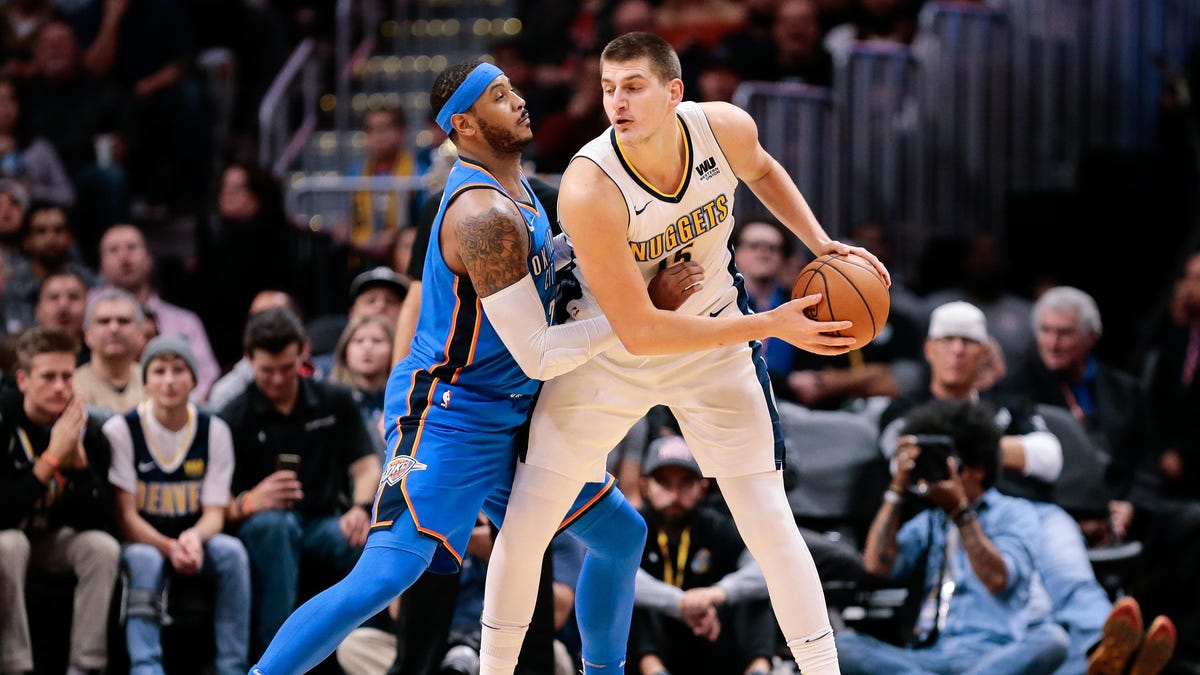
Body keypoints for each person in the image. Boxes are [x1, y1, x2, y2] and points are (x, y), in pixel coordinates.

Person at [248, 59, 692, 675]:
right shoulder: (481, 215)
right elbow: (538, 352)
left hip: (511, 414)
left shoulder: (524, 190)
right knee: (387, 573)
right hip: (451, 415)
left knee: (621, 536)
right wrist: (643, 314)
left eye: (514, 88)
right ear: (464, 122)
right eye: (501, 96)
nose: (520, 101)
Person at [481, 31, 890, 675]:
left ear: (674, 92)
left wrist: (819, 243)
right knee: (530, 519)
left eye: (634, 87)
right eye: (609, 88)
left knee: (768, 518)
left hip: (714, 345)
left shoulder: (723, 129)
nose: (617, 101)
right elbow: (643, 331)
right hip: (612, 350)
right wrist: (770, 326)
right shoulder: (590, 186)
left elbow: (762, 169)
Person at [840, 398, 1070, 674]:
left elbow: (999, 579)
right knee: (842, 645)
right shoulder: (929, 520)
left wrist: (961, 514)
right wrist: (898, 487)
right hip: (924, 657)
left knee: (1053, 639)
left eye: (953, 464)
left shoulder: (1015, 513)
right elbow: (877, 564)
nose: (943, 473)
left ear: (979, 468)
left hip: (993, 656)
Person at [219, 306, 379, 656]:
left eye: (286, 368)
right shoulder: (233, 415)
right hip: (262, 529)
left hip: (323, 522)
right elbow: (214, 505)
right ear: (248, 360)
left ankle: (365, 656)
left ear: (303, 352)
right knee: (276, 527)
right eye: (266, 371)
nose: (277, 379)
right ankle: (278, 659)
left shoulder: (334, 401)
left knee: (363, 538)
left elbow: (367, 466)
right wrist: (249, 502)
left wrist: (360, 508)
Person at [103, 334, 250, 675]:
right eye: (159, 371)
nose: (168, 380)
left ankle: (232, 665)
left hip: (192, 537)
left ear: (194, 380)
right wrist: (169, 546)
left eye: (178, 370)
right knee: (144, 558)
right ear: (146, 380)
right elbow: (126, 517)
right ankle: (146, 666)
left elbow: (215, 512)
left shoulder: (214, 429)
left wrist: (194, 539)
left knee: (232, 553)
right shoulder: (121, 430)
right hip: (143, 539)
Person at [0, 326, 119, 675]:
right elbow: (2, 514)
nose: (59, 387)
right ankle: (14, 665)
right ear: (23, 380)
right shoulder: (4, 424)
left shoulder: (88, 429)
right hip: (10, 535)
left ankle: (86, 666)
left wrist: (80, 466)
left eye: (67, 376)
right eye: (48, 377)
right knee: (9, 544)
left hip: (52, 540)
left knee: (101, 548)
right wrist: (51, 460)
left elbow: (102, 521)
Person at [630, 435, 775, 675]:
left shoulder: (716, 525)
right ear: (645, 486)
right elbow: (615, 576)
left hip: (712, 636)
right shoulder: (633, 525)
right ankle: (654, 671)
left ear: (703, 487)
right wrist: (679, 603)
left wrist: (718, 593)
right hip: (657, 641)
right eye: (664, 483)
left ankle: (758, 670)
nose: (674, 494)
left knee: (754, 595)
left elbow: (765, 569)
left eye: (685, 483)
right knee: (629, 599)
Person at [96, 223, 220, 400]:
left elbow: (207, 377)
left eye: (132, 247)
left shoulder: (186, 321)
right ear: (101, 265)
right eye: (114, 250)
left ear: (149, 259)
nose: (124, 256)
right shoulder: (85, 316)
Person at [73, 287, 145, 415]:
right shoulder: (72, 386)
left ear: (140, 333)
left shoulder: (153, 382)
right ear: (87, 335)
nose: (114, 328)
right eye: (104, 321)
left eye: (123, 321)